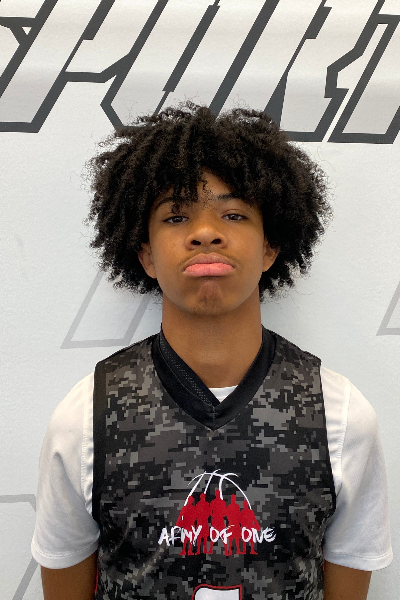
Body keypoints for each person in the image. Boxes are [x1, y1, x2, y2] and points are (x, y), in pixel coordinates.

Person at [31, 102, 392, 600]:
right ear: (145, 253)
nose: (205, 232)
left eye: (234, 214)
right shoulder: (85, 419)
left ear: (269, 247)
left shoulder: (342, 417)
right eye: (177, 215)